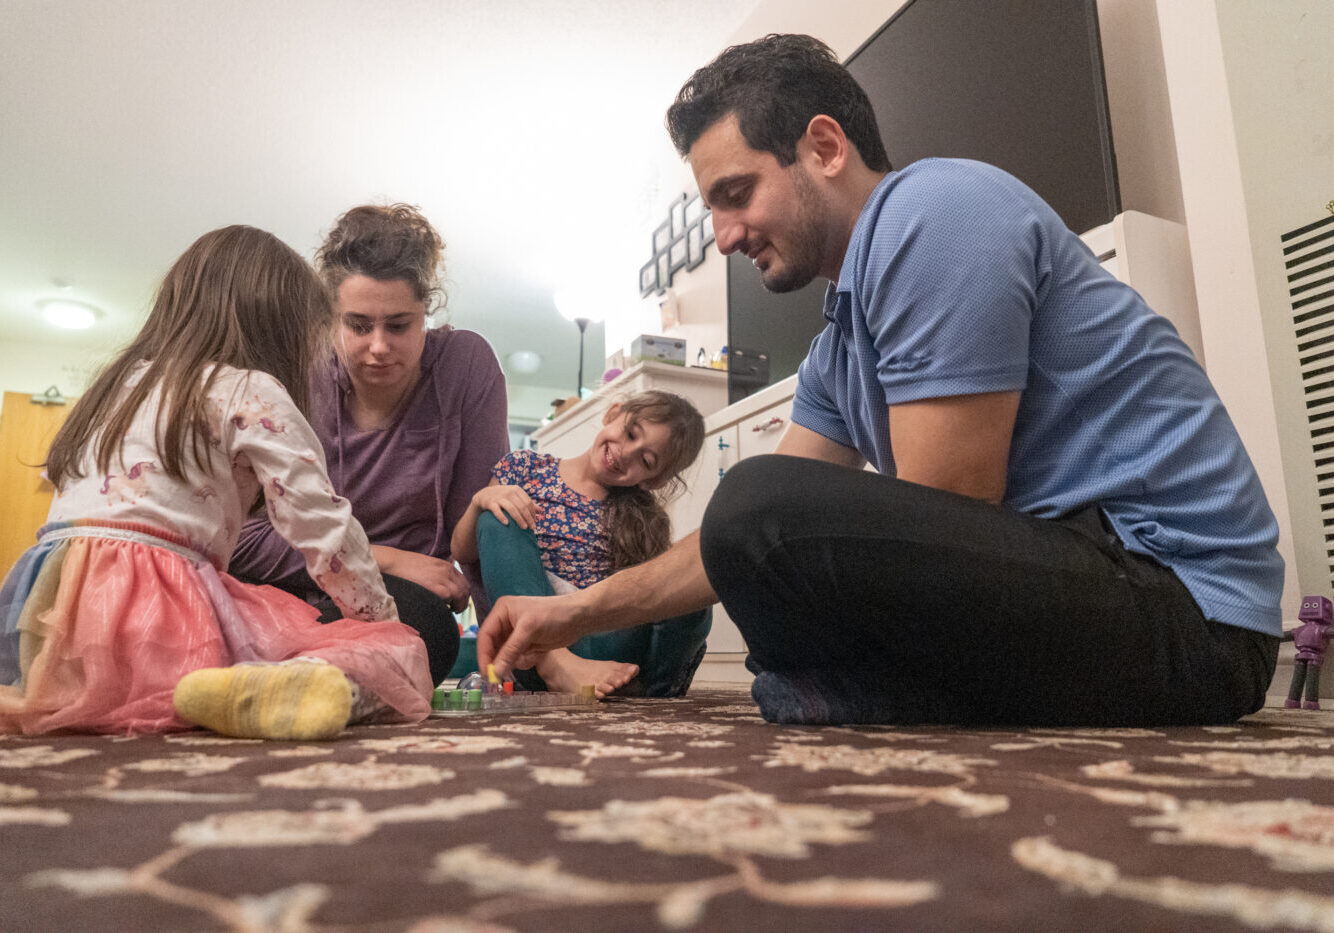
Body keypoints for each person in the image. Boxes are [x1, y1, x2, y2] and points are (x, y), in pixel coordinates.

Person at [477, 34, 1284, 728]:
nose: (723, 237)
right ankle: (852, 686)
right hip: (1084, 580)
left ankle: (845, 686)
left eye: (735, 194)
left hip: (1189, 609)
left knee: (756, 501)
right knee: (751, 517)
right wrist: (567, 613)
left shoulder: (935, 211)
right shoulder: (838, 347)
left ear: (824, 148)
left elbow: (945, 512)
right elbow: (741, 543)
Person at [0, 225, 431, 738]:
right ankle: (276, 687)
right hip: (161, 614)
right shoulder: (251, 389)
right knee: (400, 649)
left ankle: (83, 687)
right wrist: (378, 617)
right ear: (282, 330)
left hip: (47, 612)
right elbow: (321, 526)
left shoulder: (112, 385)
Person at [230, 204, 510, 687]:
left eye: (399, 326)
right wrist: (386, 556)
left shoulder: (466, 365)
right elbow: (245, 542)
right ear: (332, 319)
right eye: (358, 326)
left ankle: (278, 668)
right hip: (294, 582)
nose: (379, 346)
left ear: (426, 314)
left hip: (399, 601)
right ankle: (298, 669)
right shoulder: (297, 376)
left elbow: (479, 524)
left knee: (425, 631)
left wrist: (510, 654)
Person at [451, 390, 709, 697]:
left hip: (606, 643)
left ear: (653, 480)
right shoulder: (524, 468)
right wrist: (480, 501)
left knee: (688, 581)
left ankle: (646, 688)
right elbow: (462, 551)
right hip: (532, 649)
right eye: (629, 433)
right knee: (498, 513)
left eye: (645, 459)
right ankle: (556, 665)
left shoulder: (646, 519)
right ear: (612, 413)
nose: (626, 452)